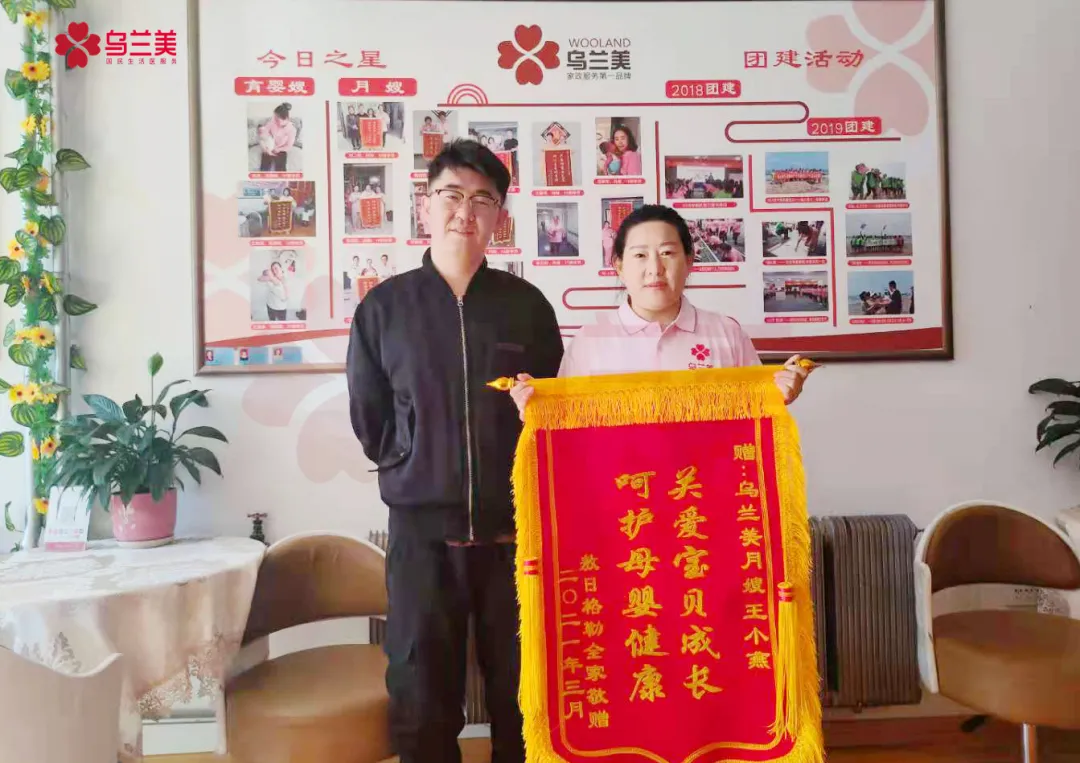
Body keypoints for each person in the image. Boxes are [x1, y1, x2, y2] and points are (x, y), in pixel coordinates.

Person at [346, 139, 564, 763]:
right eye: (452, 195)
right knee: (421, 696)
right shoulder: (385, 307)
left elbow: (552, 410)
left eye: (482, 200)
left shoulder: (526, 307)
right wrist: (413, 462)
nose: (465, 211)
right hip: (422, 539)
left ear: (500, 217)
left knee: (523, 695)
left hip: (513, 535)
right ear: (425, 206)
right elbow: (370, 415)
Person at [510, 204, 814, 417]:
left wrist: (780, 393)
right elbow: (569, 428)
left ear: (689, 261)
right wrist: (537, 409)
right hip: (624, 489)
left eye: (667, 253)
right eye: (640, 255)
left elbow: (754, 419)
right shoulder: (589, 342)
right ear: (619, 266)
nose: (655, 268)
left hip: (703, 488)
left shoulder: (726, 334)